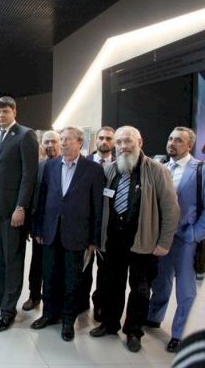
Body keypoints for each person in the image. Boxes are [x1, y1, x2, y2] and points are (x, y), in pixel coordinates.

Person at [90, 126, 179, 353]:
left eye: (127, 141)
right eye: (119, 142)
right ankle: (110, 324)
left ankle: (134, 331)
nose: (122, 147)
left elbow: (171, 209)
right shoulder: (110, 170)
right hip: (113, 242)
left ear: (140, 142)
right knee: (112, 285)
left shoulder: (157, 171)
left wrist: (164, 242)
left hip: (143, 241)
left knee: (140, 290)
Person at [31, 127, 104, 341]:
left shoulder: (93, 169)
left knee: (72, 280)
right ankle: (49, 314)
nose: (62, 143)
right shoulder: (51, 166)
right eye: (61, 139)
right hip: (51, 232)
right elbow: (42, 199)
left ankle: (68, 320)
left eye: (67, 140)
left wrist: (94, 239)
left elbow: (97, 207)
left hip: (77, 234)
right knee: (50, 275)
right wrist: (38, 228)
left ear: (80, 143)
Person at [0, 96, 39, 333]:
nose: (1, 116)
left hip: (13, 211)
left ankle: (8, 310)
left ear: (14, 111)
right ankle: (1, 296)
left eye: (5, 111)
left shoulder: (25, 135)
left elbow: (29, 175)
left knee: (12, 260)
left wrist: (21, 207)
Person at [147, 127, 205, 352]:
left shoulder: (199, 170)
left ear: (189, 145)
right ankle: (154, 316)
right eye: (170, 138)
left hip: (185, 238)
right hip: (161, 236)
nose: (172, 143)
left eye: (179, 140)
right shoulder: (160, 166)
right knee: (160, 281)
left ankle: (180, 334)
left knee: (185, 289)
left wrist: (195, 234)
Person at [23, 130, 61, 312]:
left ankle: (52, 300)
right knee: (37, 263)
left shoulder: (66, 166)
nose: (50, 145)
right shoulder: (38, 167)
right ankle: (34, 295)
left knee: (56, 267)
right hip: (40, 226)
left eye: (54, 141)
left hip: (60, 226)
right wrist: (32, 226)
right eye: (46, 142)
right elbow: (33, 198)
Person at [82, 125, 116, 320]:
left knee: (106, 271)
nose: (104, 141)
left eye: (109, 139)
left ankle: (100, 305)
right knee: (84, 268)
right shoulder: (84, 163)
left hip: (109, 227)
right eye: (101, 138)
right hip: (86, 225)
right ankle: (81, 302)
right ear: (96, 140)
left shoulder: (121, 165)